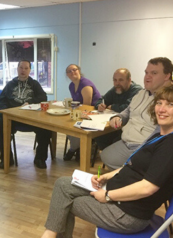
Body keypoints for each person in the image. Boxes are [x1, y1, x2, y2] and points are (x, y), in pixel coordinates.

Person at [41, 85, 173, 238]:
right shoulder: (160, 135)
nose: (162, 109)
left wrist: (108, 195)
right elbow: (131, 165)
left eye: (170, 105)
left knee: (66, 203)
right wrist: (107, 177)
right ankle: (49, 234)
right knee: (63, 184)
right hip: (118, 195)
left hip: (128, 214)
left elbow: (147, 188)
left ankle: (48, 235)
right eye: (159, 103)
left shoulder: (169, 146)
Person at [101, 57, 173, 170]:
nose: (147, 76)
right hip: (127, 142)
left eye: (154, 73)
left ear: (167, 76)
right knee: (105, 155)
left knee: (126, 169)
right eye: (146, 72)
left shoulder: (168, 99)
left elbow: (162, 134)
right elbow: (128, 111)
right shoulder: (141, 93)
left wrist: (142, 152)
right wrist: (118, 117)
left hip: (144, 148)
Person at [0, 60, 51, 169]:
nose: (23, 70)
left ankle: (40, 158)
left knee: (46, 126)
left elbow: (43, 97)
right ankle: (6, 158)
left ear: (30, 70)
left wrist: (30, 102)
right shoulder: (10, 84)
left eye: (26, 68)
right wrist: (6, 111)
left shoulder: (34, 84)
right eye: (21, 68)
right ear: (17, 69)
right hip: (12, 117)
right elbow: (1, 100)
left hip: (32, 117)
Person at [93, 68, 142, 150]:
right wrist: (99, 105)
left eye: (121, 80)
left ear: (129, 80)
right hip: (114, 125)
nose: (117, 83)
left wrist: (112, 106)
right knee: (98, 135)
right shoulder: (115, 89)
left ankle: (109, 156)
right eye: (115, 80)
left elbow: (127, 108)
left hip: (128, 128)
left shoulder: (137, 90)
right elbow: (102, 99)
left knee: (107, 138)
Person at [64, 64, 101, 161]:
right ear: (67, 75)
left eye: (74, 70)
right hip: (81, 112)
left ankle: (73, 149)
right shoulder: (71, 85)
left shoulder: (85, 84)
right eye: (69, 71)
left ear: (79, 71)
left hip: (93, 114)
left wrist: (76, 114)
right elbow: (75, 103)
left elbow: (86, 106)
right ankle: (76, 147)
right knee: (66, 123)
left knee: (73, 125)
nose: (72, 72)